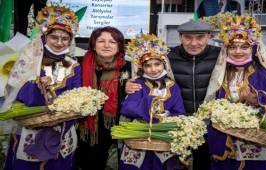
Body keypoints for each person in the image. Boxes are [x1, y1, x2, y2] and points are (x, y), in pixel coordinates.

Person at [126, 19, 266, 170]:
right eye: (188, 37)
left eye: (200, 37)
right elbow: (145, 74)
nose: (194, 43)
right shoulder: (167, 58)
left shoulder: (222, 56)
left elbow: (256, 64)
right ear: (180, 37)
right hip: (180, 125)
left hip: (211, 126)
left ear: (210, 36)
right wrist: (127, 85)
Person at [204, 15, 266, 170]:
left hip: (257, 143)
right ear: (227, 49)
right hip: (226, 144)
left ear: (254, 48)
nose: (238, 52)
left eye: (244, 47)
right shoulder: (220, 74)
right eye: (233, 47)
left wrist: (257, 99)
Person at [3, 5, 81, 170]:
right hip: (30, 129)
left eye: (65, 38)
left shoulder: (73, 65)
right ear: (45, 37)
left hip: (62, 130)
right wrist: (35, 84)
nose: (59, 43)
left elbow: (77, 95)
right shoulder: (29, 60)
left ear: (70, 40)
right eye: (54, 37)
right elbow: (15, 91)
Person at [119, 34, 186, 170]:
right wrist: (151, 103)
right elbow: (127, 107)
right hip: (139, 135)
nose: (153, 69)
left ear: (164, 64)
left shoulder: (172, 86)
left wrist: (167, 121)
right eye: (148, 65)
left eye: (157, 64)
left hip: (164, 134)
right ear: (142, 67)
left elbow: (179, 111)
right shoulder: (137, 84)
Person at [75, 26, 131, 170]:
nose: (106, 45)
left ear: (119, 46)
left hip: (116, 127)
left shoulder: (129, 68)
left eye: (112, 42)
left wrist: (129, 89)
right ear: (93, 44)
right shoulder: (79, 64)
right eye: (101, 41)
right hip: (86, 128)